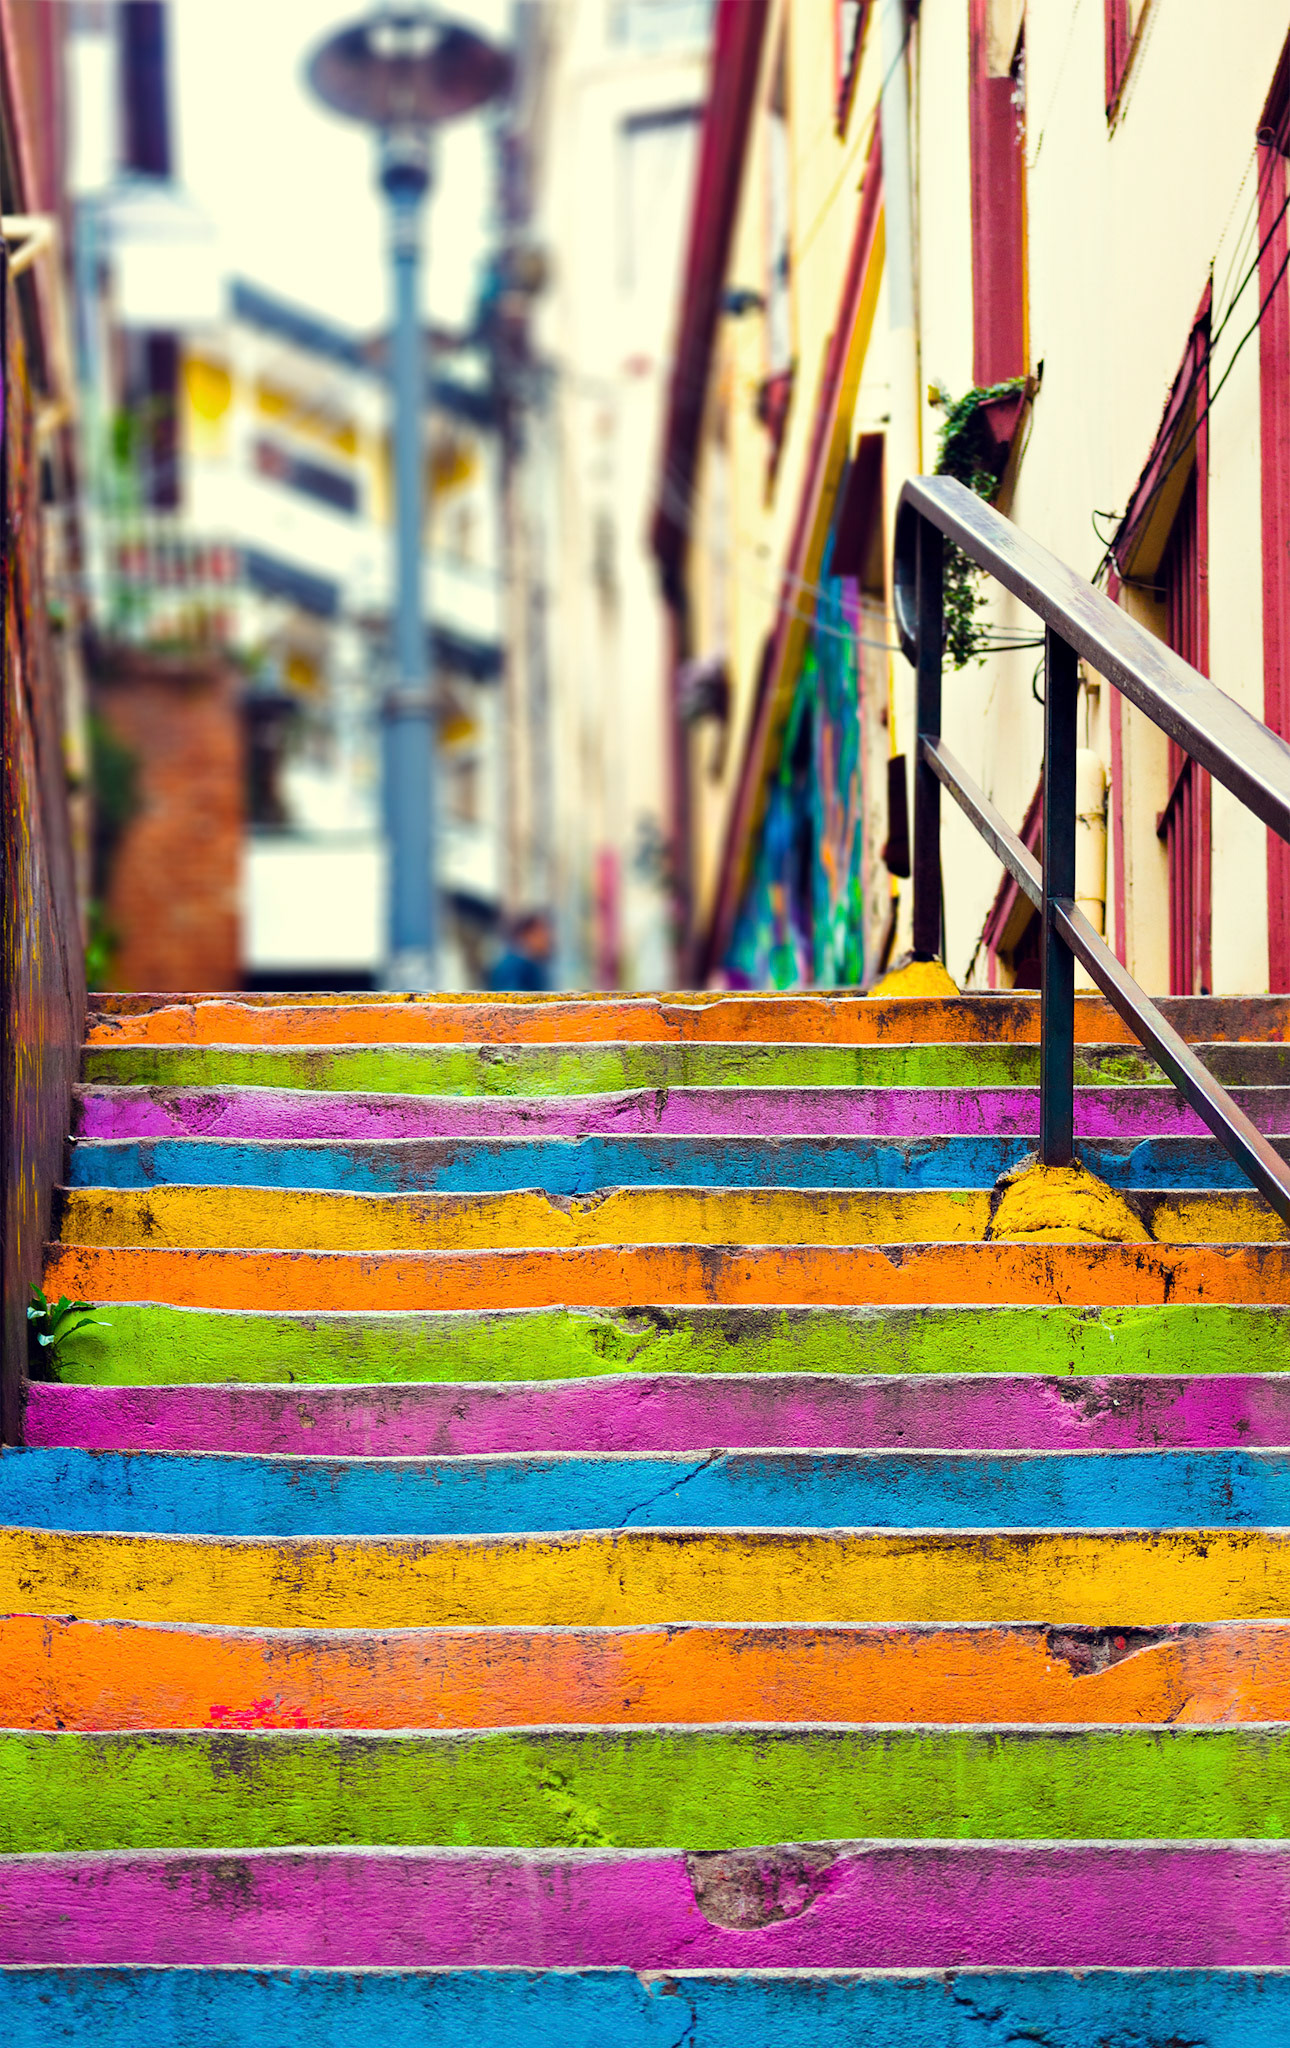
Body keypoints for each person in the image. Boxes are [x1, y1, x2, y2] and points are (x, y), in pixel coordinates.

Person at [487, 910, 554, 991]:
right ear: (529, 935)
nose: (549, 940)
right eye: (543, 934)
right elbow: (511, 998)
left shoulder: (529, 966)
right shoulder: (514, 967)